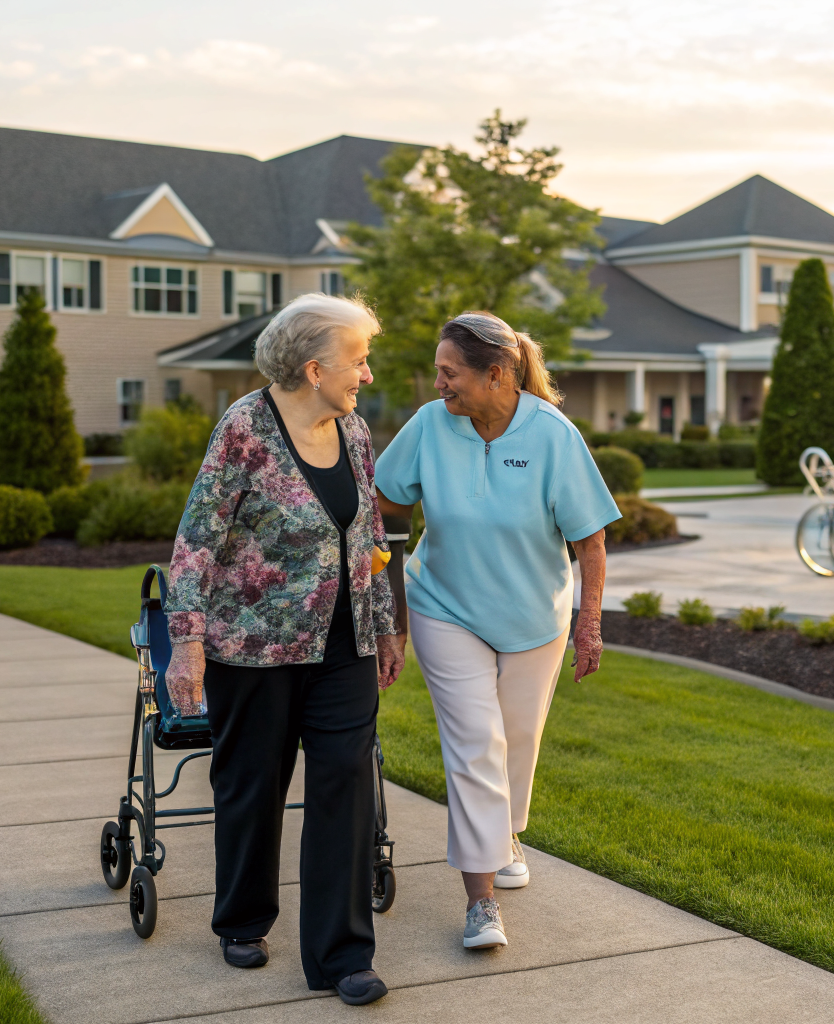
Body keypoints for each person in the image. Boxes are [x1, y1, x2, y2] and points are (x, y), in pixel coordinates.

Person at [164, 293, 405, 1007]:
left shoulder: (354, 430)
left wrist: (386, 623)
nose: (366, 374)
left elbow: (371, 538)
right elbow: (197, 539)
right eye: (356, 361)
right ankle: (242, 918)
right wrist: (187, 644)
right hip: (254, 647)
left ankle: (342, 956)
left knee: (345, 786)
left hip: (344, 645)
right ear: (312, 367)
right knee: (252, 783)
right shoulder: (244, 427)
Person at [374, 311, 618, 950]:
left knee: (517, 737)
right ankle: (480, 902)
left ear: (497, 374)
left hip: (534, 616)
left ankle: (505, 833)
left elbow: (590, 540)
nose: (438, 385)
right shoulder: (431, 425)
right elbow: (386, 504)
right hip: (444, 606)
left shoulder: (553, 436)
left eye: (449, 373)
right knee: (474, 744)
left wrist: (588, 627)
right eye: (438, 371)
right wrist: (392, 612)